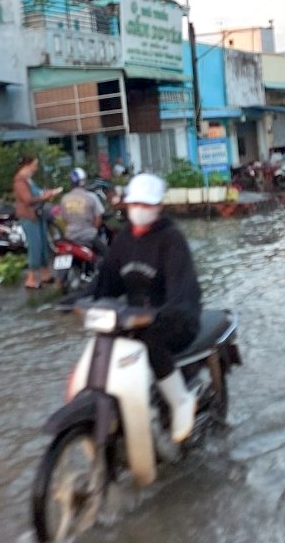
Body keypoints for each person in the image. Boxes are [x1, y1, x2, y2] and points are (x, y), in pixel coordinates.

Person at [91, 173, 202, 443]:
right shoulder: (124, 239)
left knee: (151, 341)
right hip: (135, 317)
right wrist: (79, 300)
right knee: (106, 343)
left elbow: (182, 286)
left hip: (175, 319)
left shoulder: (171, 239)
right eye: (135, 204)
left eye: (146, 204)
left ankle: (180, 401)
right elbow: (107, 279)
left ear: (158, 207)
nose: (139, 210)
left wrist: (166, 312)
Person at [13, 156, 63, 289]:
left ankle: (45, 275)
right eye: (35, 164)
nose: (36, 167)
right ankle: (30, 279)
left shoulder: (29, 180)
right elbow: (28, 200)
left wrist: (47, 193)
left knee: (43, 246)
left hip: (38, 215)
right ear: (27, 165)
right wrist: (44, 196)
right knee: (35, 247)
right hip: (29, 217)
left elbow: (38, 193)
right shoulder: (20, 181)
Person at [60, 168, 107, 257]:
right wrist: (93, 229)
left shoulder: (64, 199)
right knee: (107, 255)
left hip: (70, 237)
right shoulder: (91, 197)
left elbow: (64, 219)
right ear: (84, 181)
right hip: (89, 236)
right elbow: (98, 218)